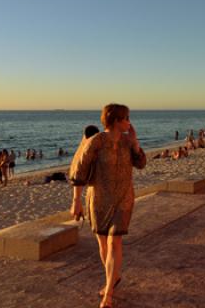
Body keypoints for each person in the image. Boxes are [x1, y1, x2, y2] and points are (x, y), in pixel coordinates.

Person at [69, 104, 147, 308]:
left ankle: (109, 293)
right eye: (126, 118)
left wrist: (135, 143)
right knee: (103, 244)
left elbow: (141, 163)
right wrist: (76, 201)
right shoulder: (96, 141)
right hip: (99, 199)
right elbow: (80, 170)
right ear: (115, 120)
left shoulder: (127, 141)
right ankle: (112, 278)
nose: (129, 122)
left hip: (123, 198)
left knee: (114, 243)